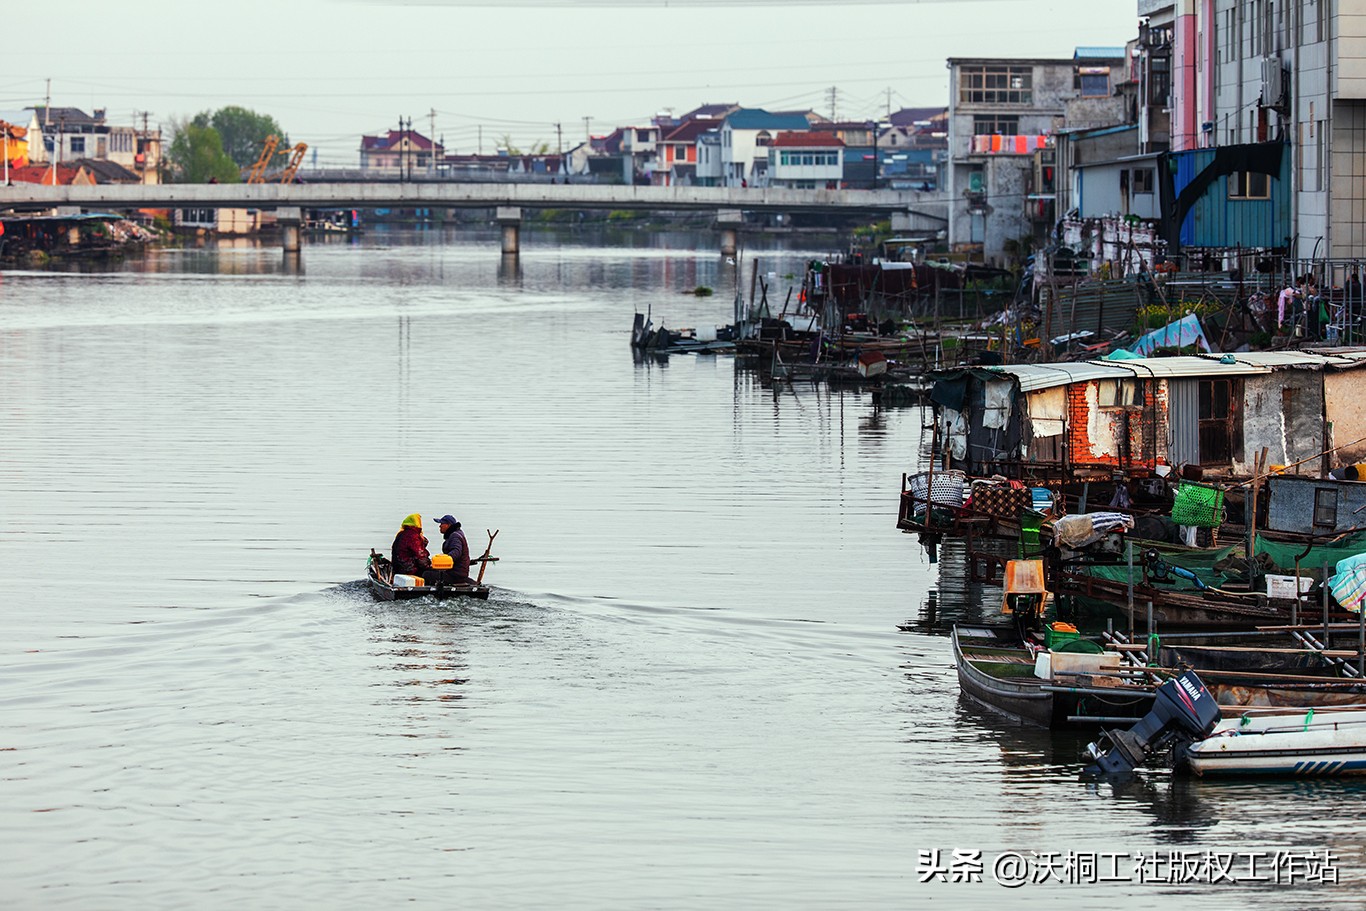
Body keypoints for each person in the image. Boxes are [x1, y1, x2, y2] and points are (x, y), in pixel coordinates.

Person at [391, 513, 431, 577]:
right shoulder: (412, 536)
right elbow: (419, 554)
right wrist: (428, 566)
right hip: (409, 569)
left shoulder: (401, 534)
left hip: (399, 567)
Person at [436, 514, 472, 583]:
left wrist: (443, 560)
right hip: (457, 572)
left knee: (426, 574)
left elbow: (456, 552)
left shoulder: (455, 536)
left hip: (456, 574)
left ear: (448, 525)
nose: (440, 526)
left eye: (442, 523)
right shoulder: (457, 534)